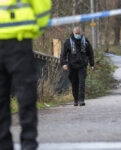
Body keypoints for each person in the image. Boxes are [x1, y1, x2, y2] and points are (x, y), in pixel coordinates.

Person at [0, 0, 51, 150]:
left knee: (19, 97)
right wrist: (36, 28)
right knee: (26, 94)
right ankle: (28, 144)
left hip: (19, 40)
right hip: (19, 40)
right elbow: (42, 5)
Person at [60, 27, 94, 106]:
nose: (78, 35)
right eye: (76, 34)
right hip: (72, 66)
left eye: (79, 33)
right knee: (74, 83)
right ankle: (76, 99)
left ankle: (81, 100)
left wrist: (92, 64)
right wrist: (64, 63)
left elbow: (90, 53)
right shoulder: (68, 42)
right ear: (73, 33)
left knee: (81, 83)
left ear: (81, 33)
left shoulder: (85, 41)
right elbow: (63, 54)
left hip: (82, 66)